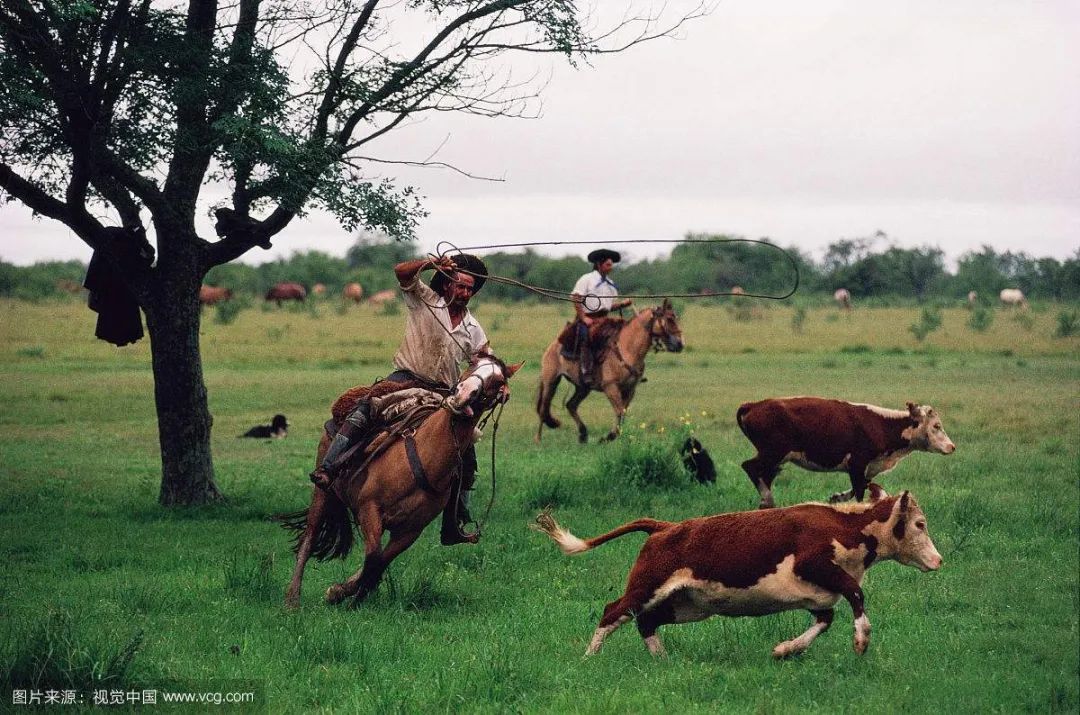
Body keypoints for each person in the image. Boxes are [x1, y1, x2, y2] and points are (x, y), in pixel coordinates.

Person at [310, 253, 492, 545]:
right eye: (460, 286)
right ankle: (329, 469)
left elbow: (482, 361)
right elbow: (402, 272)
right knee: (365, 409)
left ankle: (453, 524)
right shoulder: (424, 299)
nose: (465, 293)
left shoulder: (473, 327)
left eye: (470, 289)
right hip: (405, 379)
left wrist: (494, 378)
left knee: (464, 455)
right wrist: (430, 264)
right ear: (447, 284)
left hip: (443, 393)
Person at [564, 248, 632, 386]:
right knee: (587, 337)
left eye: (611, 265)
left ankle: (624, 370)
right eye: (608, 264)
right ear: (599, 264)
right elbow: (576, 298)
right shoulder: (587, 279)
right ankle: (586, 371)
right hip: (588, 318)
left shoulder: (610, 284)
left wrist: (622, 305)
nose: (611, 267)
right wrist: (583, 317)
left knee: (623, 332)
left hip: (604, 319)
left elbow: (608, 306)